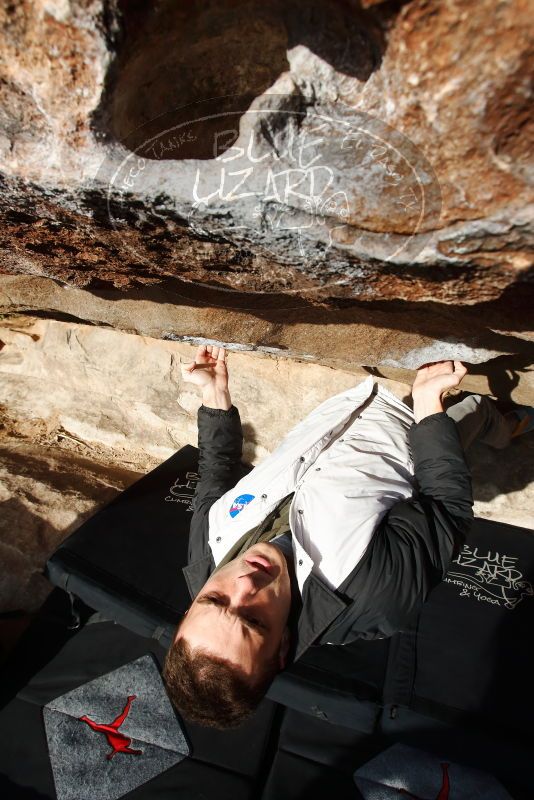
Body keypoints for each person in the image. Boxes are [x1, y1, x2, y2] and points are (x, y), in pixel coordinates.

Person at [162, 345, 532, 729]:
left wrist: (214, 396)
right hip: (411, 432)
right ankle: (509, 427)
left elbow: (214, 476)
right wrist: (428, 409)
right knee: (476, 413)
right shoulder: (374, 599)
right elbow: (447, 509)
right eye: (254, 620)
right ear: (283, 647)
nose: (244, 583)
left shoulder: (204, 557)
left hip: (345, 409)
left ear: (190, 609)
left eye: (215, 598)